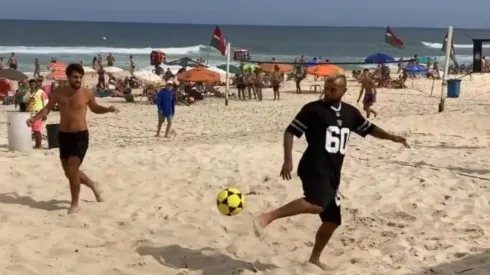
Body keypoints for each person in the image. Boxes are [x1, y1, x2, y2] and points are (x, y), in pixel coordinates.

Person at [253, 74, 409, 270]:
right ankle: (266, 217)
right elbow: (290, 131)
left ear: (344, 91)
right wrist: (288, 159)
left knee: (332, 220)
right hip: (313, 165)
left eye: (333, 89)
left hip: (333, 172)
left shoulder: (350, 113)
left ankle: (314, 259)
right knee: (317, 203)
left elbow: (370, 129)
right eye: (326, 88)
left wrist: (392, 137)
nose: (328, 92)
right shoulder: (313, 109)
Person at [27, 63, 119, 214]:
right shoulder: (59, 92)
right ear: (68, 77)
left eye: (80, 77)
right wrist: (34, 118)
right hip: (63, 136)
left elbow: (95, 109)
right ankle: (93, 185)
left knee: (72, 169)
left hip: (80, 136)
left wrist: (108, 109)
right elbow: (47, 109)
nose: (78, 80)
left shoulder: (87, 93)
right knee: (69, 172)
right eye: (75, 77)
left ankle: (74, 204)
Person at [25, 79, 49, 148]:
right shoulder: (29, 92)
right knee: (31, 129)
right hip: (30, 113)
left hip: (38, 113)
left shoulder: (41, 92)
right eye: (30, 85)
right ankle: (35, 144)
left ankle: (38, 145)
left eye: (33, 85)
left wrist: (45, 114)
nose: (32, 86)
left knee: (36, 130)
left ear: (36, 85)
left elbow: (46, 103)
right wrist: (28, 93)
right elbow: (24, 100)